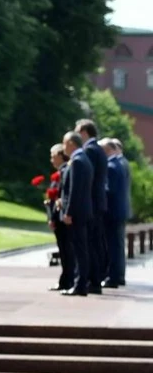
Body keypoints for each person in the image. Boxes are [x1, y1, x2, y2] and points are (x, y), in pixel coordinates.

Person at [74, 119, 109, 293]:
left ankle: (93, 280)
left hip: (92, 203)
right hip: (98, 202)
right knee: (95, 243)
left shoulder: (89, 150)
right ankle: (95, 279)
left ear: (84, 132)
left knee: (90, 243)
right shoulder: (98, 149)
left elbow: (87, 179)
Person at [59, 131, 93, 297]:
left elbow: (75, 191)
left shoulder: (78, 161)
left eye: (64, 143)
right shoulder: (83, 159)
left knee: (79, 249)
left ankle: (80, 285)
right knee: (80, 248)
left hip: (77, 213)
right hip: (81, 212)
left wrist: (68, 212)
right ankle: (80, 283)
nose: (63, 147)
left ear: (72, 143)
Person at [42, 144, 73, 292]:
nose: (51, 160)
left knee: (66, 250)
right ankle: (66, 279)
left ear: (61, 156)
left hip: (62, 217)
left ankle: (67, 280)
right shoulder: (61, 172)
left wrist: (54, 216)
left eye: (53, 156)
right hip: (58, 216)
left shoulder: (64, 172)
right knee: (64, 250)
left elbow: (61, 195)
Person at [101, 138, 131, 288]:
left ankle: (113, 277)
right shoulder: (120, 163)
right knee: (117, 246)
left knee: (113, 246)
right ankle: (118, 276)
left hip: (113, 212)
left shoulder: (112, 166)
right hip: (120, 211)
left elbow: (109, 190)